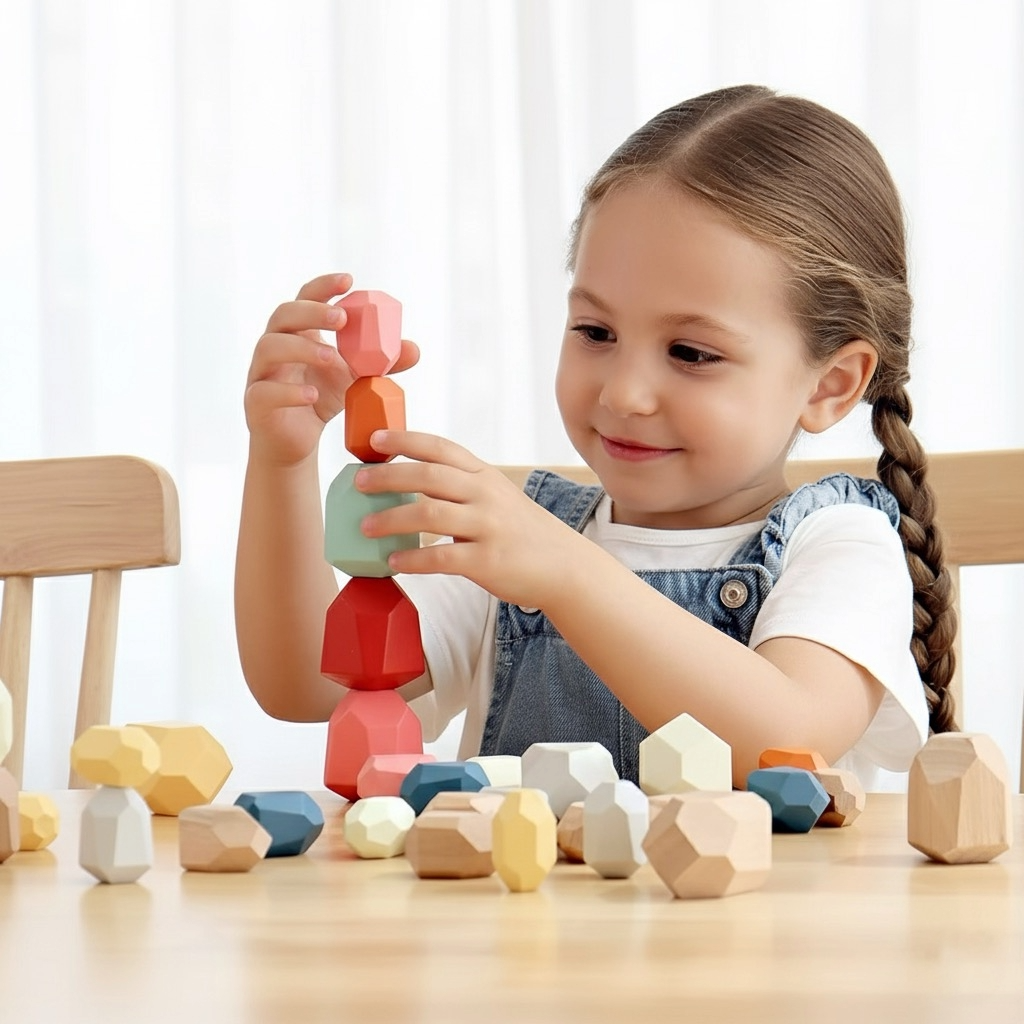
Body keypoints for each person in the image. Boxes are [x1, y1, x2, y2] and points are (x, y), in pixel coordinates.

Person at [235, 84, 957, 790]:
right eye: (595, 332)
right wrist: (283, 461)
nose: (622, 393)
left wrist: (565, 571)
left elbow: (780, 741)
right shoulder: (518, 544)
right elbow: (306, 683)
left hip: (746, 916)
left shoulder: (841, 548)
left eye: (691, 353)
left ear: (829, 384)